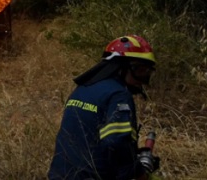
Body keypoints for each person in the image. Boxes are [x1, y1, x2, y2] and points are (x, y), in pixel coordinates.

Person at [48, 35, 161, 180]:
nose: (143, 79)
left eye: (147, 72)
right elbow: (117, 144)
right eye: (140, 70)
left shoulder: (82, 89)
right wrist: (139, 173)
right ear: (121, 67)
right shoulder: (119, 95)